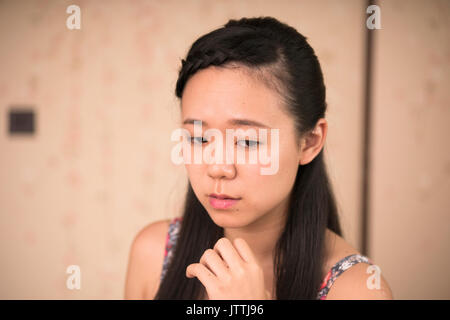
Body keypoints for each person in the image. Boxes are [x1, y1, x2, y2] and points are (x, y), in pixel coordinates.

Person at [124, 16, 393, 300]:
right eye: (199, 139)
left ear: (310, 142)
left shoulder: (359, 290)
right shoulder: (154, 252)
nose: (218, 167)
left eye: (247, 142)